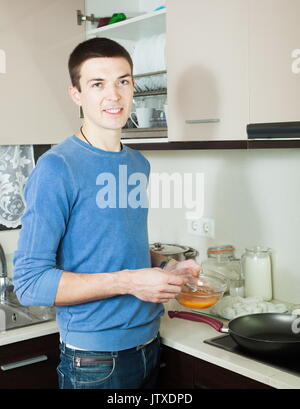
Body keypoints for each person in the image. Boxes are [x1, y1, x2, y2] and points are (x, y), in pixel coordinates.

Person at [13, 37, 201, 389]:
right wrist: (131, 281)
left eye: (123, 81)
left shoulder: (137, 164)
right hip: (95, 363)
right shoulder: (57, 169)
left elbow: (115, 247)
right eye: (97, 84)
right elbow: (29, 283)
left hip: (150, 344)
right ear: (76, 94)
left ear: (133, 88)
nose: (113, 95)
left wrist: (163, 267)